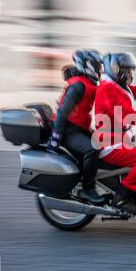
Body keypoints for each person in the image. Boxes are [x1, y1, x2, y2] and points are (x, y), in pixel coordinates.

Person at [94, 52, 136, 214]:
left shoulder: (117, 86)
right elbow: (127, 115)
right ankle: (121, 199)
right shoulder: (107, 88)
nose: (131, 74)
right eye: (128, 70)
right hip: (110, 142)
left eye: (131, 70)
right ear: (115, 69)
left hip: (122, 137)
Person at [47, 49, 105, 204]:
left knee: (106, 143)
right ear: (87, 65)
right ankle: (88, 190)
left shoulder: (89, 83)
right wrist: (55, 137)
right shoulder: (78, 85)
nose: (100, 69)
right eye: (97, 65)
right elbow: (62, 112)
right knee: (91, 149)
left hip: (79, 127)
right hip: (67, 129)